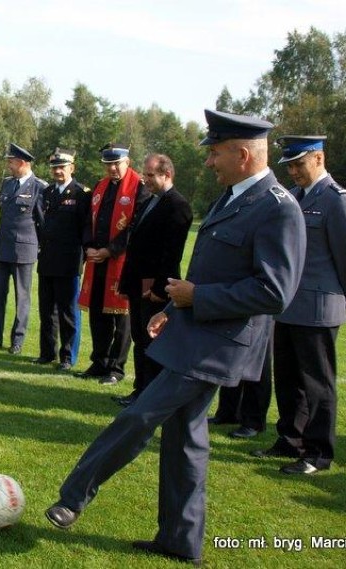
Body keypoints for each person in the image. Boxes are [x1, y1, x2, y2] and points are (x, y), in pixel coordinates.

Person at [45, 109, 306, 566]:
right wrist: (173, 308)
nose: (209, 162)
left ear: (243, 154)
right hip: (197, 333)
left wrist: (196, 298)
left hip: (220, 344)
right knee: (186, 439)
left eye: (216, 153)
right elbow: (209, 271)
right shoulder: (233, 197)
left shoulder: (278, 208)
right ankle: (179, 541)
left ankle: (73, 496)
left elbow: (275, 291)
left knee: (141, 414)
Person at [253, 135, 346, 475]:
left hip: (319, 308)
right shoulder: (295, 198)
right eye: (289, 166)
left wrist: (340, 298)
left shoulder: (337, 201)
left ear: (318, 158)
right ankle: (290, 439)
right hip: (288, 306)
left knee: (317, 384)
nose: (294, 172)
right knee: (288, 379)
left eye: (299, 164)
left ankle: (318, 453)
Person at [115, 153, 193, 406]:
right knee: (140, 337)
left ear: (166, 174)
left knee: (153, 340)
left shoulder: (177, 205)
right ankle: (141, 390)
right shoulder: (150, 201)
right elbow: (136, 245)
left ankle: (152, 393)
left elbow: (171, 253)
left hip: (155, 288)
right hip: (139, 283)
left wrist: (160, 288)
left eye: (150, 175)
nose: (144, 179)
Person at [74, 143, 142, 385]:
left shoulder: (139, 188)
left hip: (121, 262)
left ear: (127, 162)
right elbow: (87, 222)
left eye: (117, 164)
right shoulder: (99, 189)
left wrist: (109, 250)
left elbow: (134, 227)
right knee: (97, 314)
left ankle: (116, 367)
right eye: (108, 165)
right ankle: (99, 361)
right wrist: (89, 247)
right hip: (97, 260)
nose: (112, 168)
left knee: (121, 317)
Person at [0, 143, 45, 355]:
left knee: (22, 298)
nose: (8, 165)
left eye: (11, 161)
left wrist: (39, 249)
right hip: (1, 249)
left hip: (24, 251)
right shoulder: (7, 184)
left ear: (23, 163)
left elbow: (42, 222)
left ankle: (17, 341)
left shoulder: (39, 187)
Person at [33, 148, 89, 371]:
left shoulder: (81, 194)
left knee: (68, 313)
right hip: (46, 260)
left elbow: (85, 229)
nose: (58, 171)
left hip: (68, 263)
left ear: (72, 168)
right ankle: (47, 353)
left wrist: (82, 259)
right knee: (47, 311)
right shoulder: (47, 193)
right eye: (54, 167)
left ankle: (67, 357)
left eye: (62, 167)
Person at [208, 326, 273, 438]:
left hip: (261, 312)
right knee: (234, 355)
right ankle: (228, 413)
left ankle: (253, 422)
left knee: (258, 360)